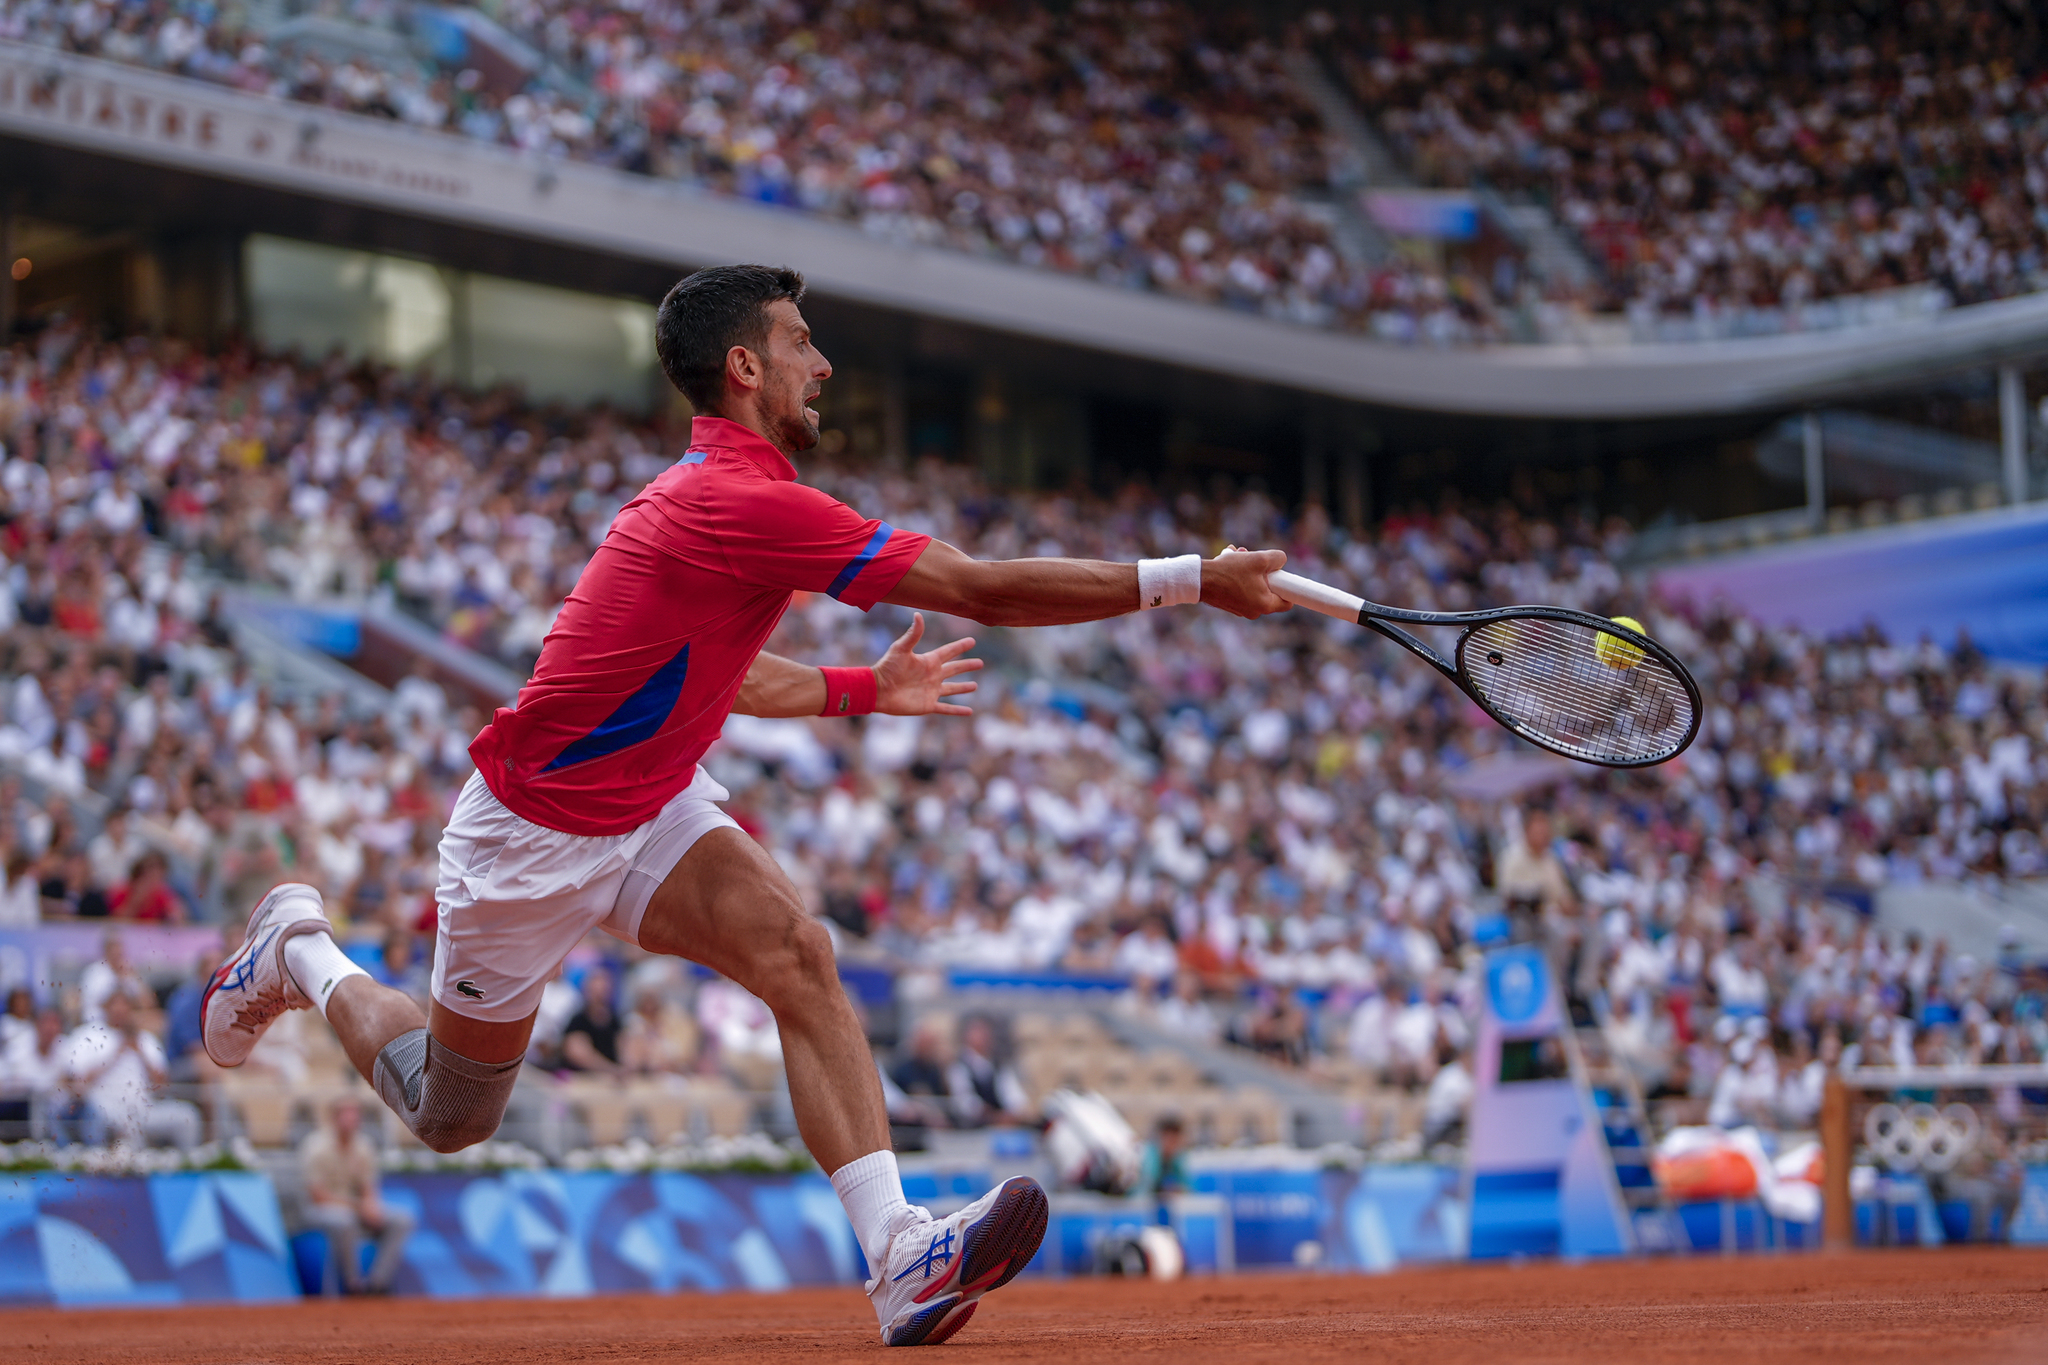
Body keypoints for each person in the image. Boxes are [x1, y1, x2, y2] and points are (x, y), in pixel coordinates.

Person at [201, 262, 1285, 1348]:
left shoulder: (735, 504)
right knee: (448, 1116)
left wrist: (866, 690)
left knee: (797, 954)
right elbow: (979, 588)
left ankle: (900, 1256)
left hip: (652, 807)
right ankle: (298, 954)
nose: (822, 364)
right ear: (745, 366)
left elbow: (738, 678)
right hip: (525, 836)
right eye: (802, 342)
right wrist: (1192, 577)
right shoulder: (735, 500)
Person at [298, 1098, 416, 1294]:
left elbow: (369, 1186)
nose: (353, 1119)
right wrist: (358, 1206)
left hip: (354, 1208)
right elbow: (317, 1196)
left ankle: (377, 1283)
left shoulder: (364, 1146)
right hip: (320, 1210)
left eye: (356, 1114)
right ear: (334, 1118)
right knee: (345, 1221)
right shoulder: (315, 1147)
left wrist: (371, 1205)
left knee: (402, 1220)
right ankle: (352, 1284)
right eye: (348, 1114)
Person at [58, 992, 200, 1147]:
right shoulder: (88, 1035)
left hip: (143, 1108)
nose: (120, 1012)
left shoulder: (145, 1039)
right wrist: (116, 1054)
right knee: (128, 1125)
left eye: (125, 1007)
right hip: (103, 1109)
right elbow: (79, 1083)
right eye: (115, 1006)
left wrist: (139, 1052)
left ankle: (187, 1165)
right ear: (105, 1008)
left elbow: (162, 1085)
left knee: (187, 1117)